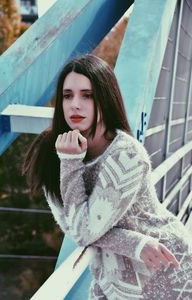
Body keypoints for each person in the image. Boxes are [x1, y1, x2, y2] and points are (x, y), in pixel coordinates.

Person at [23, 54, 192, 299]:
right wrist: (133, 242)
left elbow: (85, 231)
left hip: (165, 267)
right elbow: (74, 226)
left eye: (87, 95)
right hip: (116, 277)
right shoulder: (51, 151)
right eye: (67, 96)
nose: (75, 105)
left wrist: (71, 163)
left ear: (106, 98)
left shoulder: (127, 156)